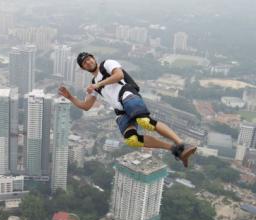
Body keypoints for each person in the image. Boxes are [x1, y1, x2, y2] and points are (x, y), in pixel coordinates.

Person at [58, 52, 196, 167]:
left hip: (127, 95)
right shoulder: (93, 84)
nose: (88, 62)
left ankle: (182, 144)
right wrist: (70, 97)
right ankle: (175, 150)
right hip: (120, 110)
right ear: (83, 68)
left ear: (93, 58)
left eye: (88, 59)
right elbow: (86, 106)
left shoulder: (107, 64)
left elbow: (119, 75)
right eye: (84, 63)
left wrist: (99, 84)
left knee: (144, 121)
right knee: (132, 140)